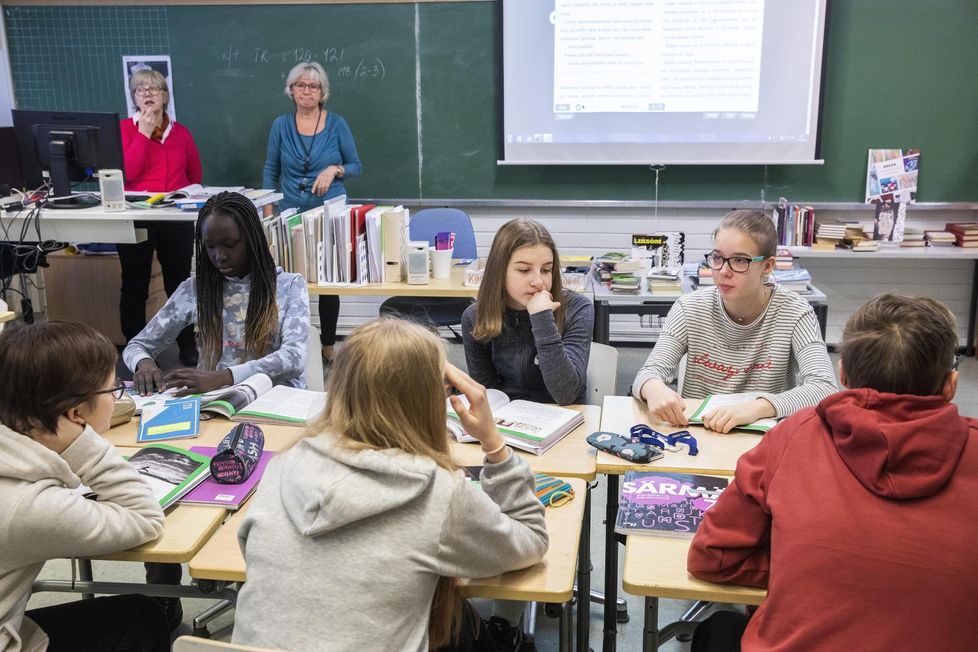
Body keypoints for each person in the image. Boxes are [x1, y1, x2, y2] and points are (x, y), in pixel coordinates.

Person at [231, 318, 549, 652]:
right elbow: (531, 540)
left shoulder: (281, 466)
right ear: (428, 400)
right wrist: (493, 443)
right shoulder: (439, 492)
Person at [687, 294, 978, 651]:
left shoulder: (795, 435)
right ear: (951, 385)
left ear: (843, 374)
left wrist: (805, 569)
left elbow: (710, 557)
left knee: (719, 629)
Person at [0, 321, 169, 652]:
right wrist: (81, 445)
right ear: (75, 414)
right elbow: (146, 518)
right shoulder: (31, 507)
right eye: (114, 389)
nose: (119, 396)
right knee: (142, 618)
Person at [632, 209, 836, 432]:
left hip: (766, 442)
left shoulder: (796, 313)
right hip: (700, 437)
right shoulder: (690, 308)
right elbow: (648, 373)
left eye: (740, 261)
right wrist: (652, 387)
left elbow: (824, 388)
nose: (723, 271)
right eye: (717, 258)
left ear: (767, 266)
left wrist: (757, 407)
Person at [124, 191, 310, 395]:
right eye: (210, 247)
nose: (219, 256)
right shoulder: (195, 289)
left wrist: (224, 377)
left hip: (275, 401)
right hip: (216, 404)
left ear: (252, 239)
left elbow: (294, 357)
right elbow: (137, 345)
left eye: (230, 245)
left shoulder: (290, 285)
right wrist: (144, 363)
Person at [262, 61, 362, 366]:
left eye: (313, 86)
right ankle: (285, 343)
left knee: (328, 278)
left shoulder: (337, 124)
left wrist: (334, 169)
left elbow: (356, 165)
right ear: (291, 90)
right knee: (287, 279)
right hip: (290, 212)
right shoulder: (281, 125)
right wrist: (268, 216)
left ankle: (328, 344)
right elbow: (270, 170)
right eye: (301, 85)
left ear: (323, 92)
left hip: (329, 212)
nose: (307, 91)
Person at [119, 68, 202, 367]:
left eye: (154, 89)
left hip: (173, 217)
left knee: (179, 284)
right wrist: (142, 134)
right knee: (134, 283)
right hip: (135, 215)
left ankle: (187, 344)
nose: (148, 94)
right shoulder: (126, 130)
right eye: (141, 90)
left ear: (165, 96)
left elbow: (195, 175)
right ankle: (134, 350)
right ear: (134, 98)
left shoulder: (180, 133)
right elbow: (127, 174)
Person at [462, 218, 593, 406]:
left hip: (566, 413)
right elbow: (487, 394)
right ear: (499, 271)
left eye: (546, 270)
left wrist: (542, 319)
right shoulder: (475, 317)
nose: (538, 281)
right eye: (524, 270)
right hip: (509, 416)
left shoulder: (577, 308)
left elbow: (566, 394)